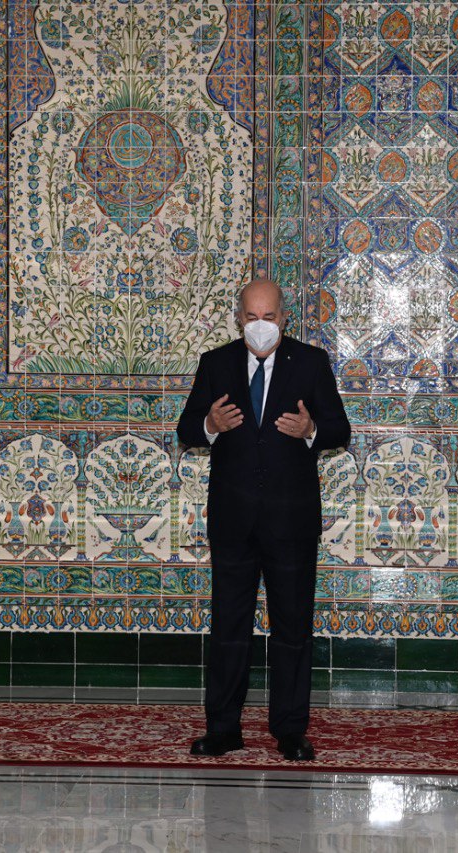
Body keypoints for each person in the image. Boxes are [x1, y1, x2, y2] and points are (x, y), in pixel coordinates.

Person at [176, 278, 350, 761]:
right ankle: (223, 728)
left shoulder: (310, 363)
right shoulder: (216, 363)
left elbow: (340, 428)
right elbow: (187, 427)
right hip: (232, 519)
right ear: (238, 319)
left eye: (268, 317)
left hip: (291, 520)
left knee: (292, 628)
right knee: (228, 626)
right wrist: (210, 424)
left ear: (284, 319)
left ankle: (290, 730)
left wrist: (311, 429)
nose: (259, 326)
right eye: (251, 317)